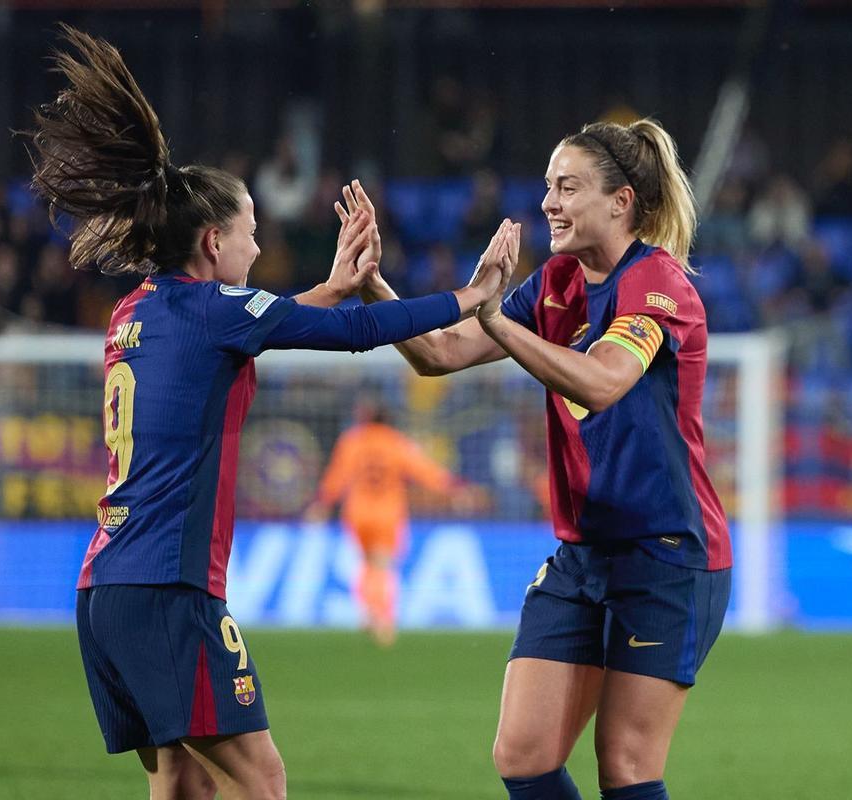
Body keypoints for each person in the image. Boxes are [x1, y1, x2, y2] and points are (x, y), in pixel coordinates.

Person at [25, 26, 511, 800]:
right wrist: (469, 298)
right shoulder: (217, 311)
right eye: (252, 233)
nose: (259, 247)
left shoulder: (135, 311)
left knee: (184, 785)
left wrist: (331, 284)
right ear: (214, 241)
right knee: (265, 784)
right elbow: (347, 334)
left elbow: (260, 321)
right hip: (170, 592)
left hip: (106, 592)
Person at [343, 117, 731, 800]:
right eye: (548, 186)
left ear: (621, 202)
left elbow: (605, 381)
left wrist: (496, 321)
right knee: (523, 754)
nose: (549, 202)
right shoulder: (554, 283)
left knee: (627, 767)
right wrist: (371, 283)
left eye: (568, 187)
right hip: (583, 554)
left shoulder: (657, 286)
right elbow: (440, 354)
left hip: (667, 554)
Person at [304, 397, 479, 647]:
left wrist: (322, 502)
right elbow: (424, 471)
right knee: (383, 564)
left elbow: (337, 476)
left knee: (366, 563)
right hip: (387, 512)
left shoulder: (352, 441)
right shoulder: (396, 442)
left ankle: (368, 610)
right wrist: (454, 488)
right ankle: (383, 617)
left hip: (359, 512)